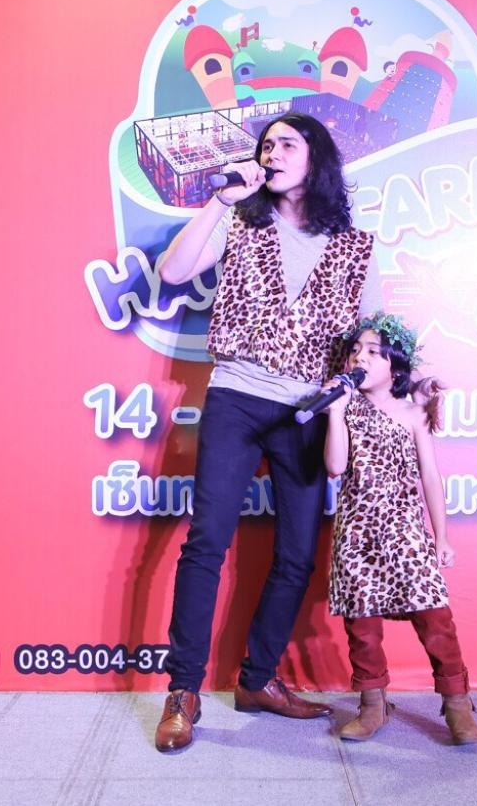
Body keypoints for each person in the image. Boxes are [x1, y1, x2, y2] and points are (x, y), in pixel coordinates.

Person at [153, 113, 383, 753]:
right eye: (266, 145)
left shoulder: (354, 246)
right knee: (206, 542)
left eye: (287, 144)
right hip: (236, 395)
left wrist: (364, 387)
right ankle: (183, 692)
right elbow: (173, 274)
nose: (271, 153)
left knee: (297, 554)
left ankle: (257, 679)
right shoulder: (240, 220)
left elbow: (365, 337)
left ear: (316, 158)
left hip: (305, 409)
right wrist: (220, 199)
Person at [320, 312, 477, 745]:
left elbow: (430, 476)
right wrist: (335, 413)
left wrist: (441, 536)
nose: (361, 357)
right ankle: (373, 705)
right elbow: (335, 466)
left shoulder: (413, 413)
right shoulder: (347, 409)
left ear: (395, 365)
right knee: (362, 627)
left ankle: (457, 703)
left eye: (374, 352)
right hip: (357, 532)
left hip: (405, 529)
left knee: (435, 620)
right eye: (356, 350)